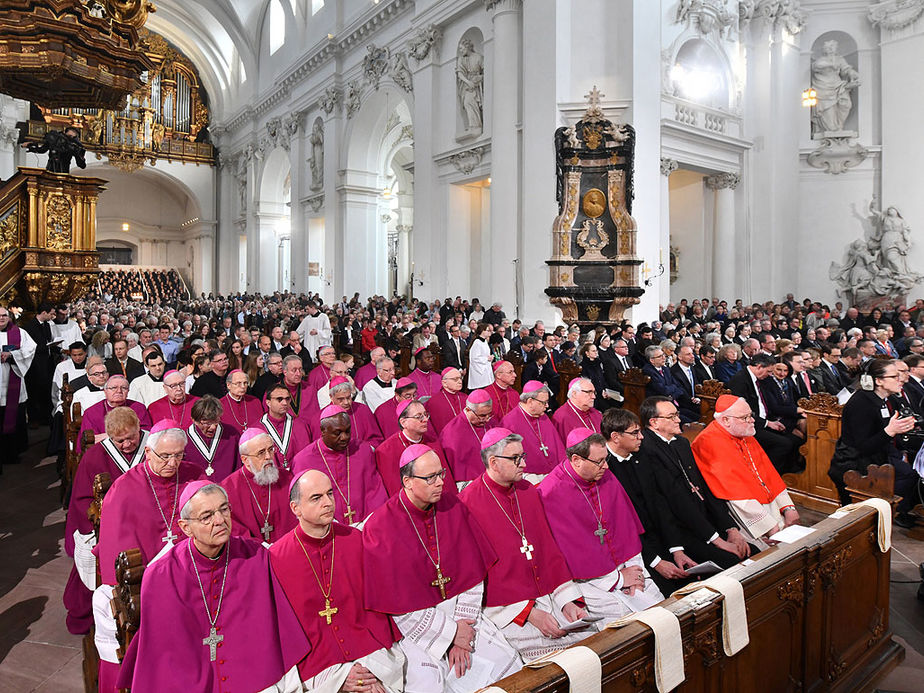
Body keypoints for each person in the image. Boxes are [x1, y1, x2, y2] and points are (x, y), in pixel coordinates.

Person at [117, 481, 309, 693]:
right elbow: (165, 654)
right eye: (206, 516)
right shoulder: (161, 575)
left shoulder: (255, 556)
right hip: (188, 679)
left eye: (224, 509)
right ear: (185, 527)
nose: (220, 521)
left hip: (250, 674)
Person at [362, 444, 522, 692]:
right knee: (430, 682)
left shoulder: (452, 506)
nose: (440, 483)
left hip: (462, 612)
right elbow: (397, 603)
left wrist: (462, 628)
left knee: (505, 661)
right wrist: (450, 634)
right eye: (430, 478)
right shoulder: (381, 527)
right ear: (408, 481)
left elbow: (472, 573)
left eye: (441, 475)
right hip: (420, 626)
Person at [93, 420, 205, 691]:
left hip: (196, 576)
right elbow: (116, 556)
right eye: (165, 456)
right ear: (148, 453)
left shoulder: (195, 475)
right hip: (147, 587)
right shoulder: (123, 489)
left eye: (178, 455)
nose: (173, 463)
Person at [270, 470, 406, 692]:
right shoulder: (277, 558)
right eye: (316, 497)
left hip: (368, 651)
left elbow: (377, 610)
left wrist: (368, 672)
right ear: (296, 509)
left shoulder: (355, 540)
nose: (328, 502)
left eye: (330, 494)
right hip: (317, 663)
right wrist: (341, 680)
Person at [461, 429, 591, 659]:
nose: (523, 464)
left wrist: (567, 602)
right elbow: (477, 572)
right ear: (493, 462)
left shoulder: (528, 491)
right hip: (509, 606)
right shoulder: (468, 503)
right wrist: (529, 613)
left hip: (549, 594)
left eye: (523, 456)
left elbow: (548, 548)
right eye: (515, 458)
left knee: (592, 646)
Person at [539, 428, 665, 621]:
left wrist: (636, 575)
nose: (606, 466)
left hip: (627, 567)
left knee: (660, 607)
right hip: (591, 581)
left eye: (606, 459)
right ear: (576, 460)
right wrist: (619, 579)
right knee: (622, 621)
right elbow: (569, 557)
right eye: (599, 461)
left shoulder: (606, 476)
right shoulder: (550, 493)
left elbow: (626, 531)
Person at [635, 397, 751, 584]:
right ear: (654, 422)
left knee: (753, 553)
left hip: (705, 521)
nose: (678, 420)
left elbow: (703, 486)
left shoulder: (680, 443)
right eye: (672, 416)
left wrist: (730, 528)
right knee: (733, 564)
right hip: (680, 530)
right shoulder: (646, 450)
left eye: (677, 415)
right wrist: (718, 541)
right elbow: (675, 502)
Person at [63, 407, 147, 635]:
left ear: (140, 429)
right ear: (110, 436)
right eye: (121, 440)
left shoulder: (152, 448)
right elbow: (81, 499)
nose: (128, 444)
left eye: (132, 437)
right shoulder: (95, 456)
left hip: (148, 522)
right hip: (111, 526)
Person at [692, 395, 801, 547]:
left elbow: (768, 474)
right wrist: (770, 526)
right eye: (745, 417)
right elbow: (734, 492)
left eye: (751, 415)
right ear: (726, 420)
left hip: (769, 507)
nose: (752, 421)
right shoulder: (709, 442)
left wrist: (788, 508)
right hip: (742, 515)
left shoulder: (744, 433)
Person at [828, 359, 921, 527]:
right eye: (894, 376)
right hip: (853, 468)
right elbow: (863, 445)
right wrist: (890, 431)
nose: (901, 379)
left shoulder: (884, 399)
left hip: (874, 462)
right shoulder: (861, 403)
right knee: (855, 524)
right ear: (878, 381)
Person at [292, 406, 387, 526]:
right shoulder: (303, 461)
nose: (344, 437)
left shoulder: (363, 450)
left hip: (368, 525)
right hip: (327, 528)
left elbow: (375, 490)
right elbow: (305, 502)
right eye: (337, 433)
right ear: (323, 430)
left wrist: (368, 522)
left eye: (347, 431)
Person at [727, 352, 803, 474]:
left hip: (764, 420)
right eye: (768, 371)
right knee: (784, 444)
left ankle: (789, 476)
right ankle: (767, 476)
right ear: (759, 367)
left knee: (795, 439)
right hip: (749, 425)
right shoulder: (740, 380)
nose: (770, 375)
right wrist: (767, 423)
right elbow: (742, 412)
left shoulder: (758, 379)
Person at [221, 427, 297, 543]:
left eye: (270, 449)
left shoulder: (287, 478)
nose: (268, 456)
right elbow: (232, 528)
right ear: (245, 459)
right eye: (261, 453)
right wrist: (259, 545)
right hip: (250, 553)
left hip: (289, 547)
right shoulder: (228, 488)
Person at [375, 399, 458, 496]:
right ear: (403, 422)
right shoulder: (386, 451)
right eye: (419, 417)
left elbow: (446, 480)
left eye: (425, 414)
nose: (425, 419)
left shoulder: (433, 442)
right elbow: (395, 489)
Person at [500, 381, 564, 481]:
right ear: (530, 401)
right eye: (544, 402)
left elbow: (558, 448)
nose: (547, 406)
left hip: (553, 474)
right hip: (528, 477)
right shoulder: (509, 422)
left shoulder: (544, 418)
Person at [77, 375, 151, 453]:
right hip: (104, 453)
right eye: (113, 388)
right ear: (105, 391)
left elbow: (146, 434)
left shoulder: (139, 408)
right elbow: (90, 440)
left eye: (124, 388)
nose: (119, 391)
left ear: (128, 392)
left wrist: (109, 436)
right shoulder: (91, 412)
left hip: (135, 451)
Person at [439, 389, 498, 486]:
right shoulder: (452, 433)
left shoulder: (491, 423)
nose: (487, 420)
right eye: (482, 416)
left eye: (489, 414)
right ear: (467, 410)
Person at [0, 306, 36, 461]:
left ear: (9, 317)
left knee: (14, 417)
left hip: (13, 380)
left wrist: (12, 355)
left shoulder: (19, 333)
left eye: (4, 315)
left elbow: (30, 350)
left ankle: (13, 452)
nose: (1, 318)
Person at [183, 395, 242, 481]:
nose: (213, 427)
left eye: (216, 421)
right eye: (207, 423)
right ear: (194, 420)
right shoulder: (184, 440)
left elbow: (239, 468)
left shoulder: (232, 434)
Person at [259, 383, 313, 472]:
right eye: (279, 399)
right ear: (268, 402)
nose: (285, 403)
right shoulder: (258, 429)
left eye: (287, 399)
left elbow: (307, 457)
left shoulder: (301, 425)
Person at [220, 369, 265, 433]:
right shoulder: (220, 405)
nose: (243, 386)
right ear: (228, 385)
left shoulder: (255, 401)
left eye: (245, 383)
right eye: (238, 383)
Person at [426, 367, 468, 433]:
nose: (460, 381)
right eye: (455, 379)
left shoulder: (466, 398)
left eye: (460, 378)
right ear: (444, 383)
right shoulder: (434, 402)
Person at [467, 323, 494, 390]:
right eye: (487, 330)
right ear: (482, 331)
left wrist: (489, 357)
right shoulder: (477, 342)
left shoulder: (484, 341)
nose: (489, 332)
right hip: (479, 371)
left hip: (486, 368)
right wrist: (487, 358)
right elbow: (474, 358)